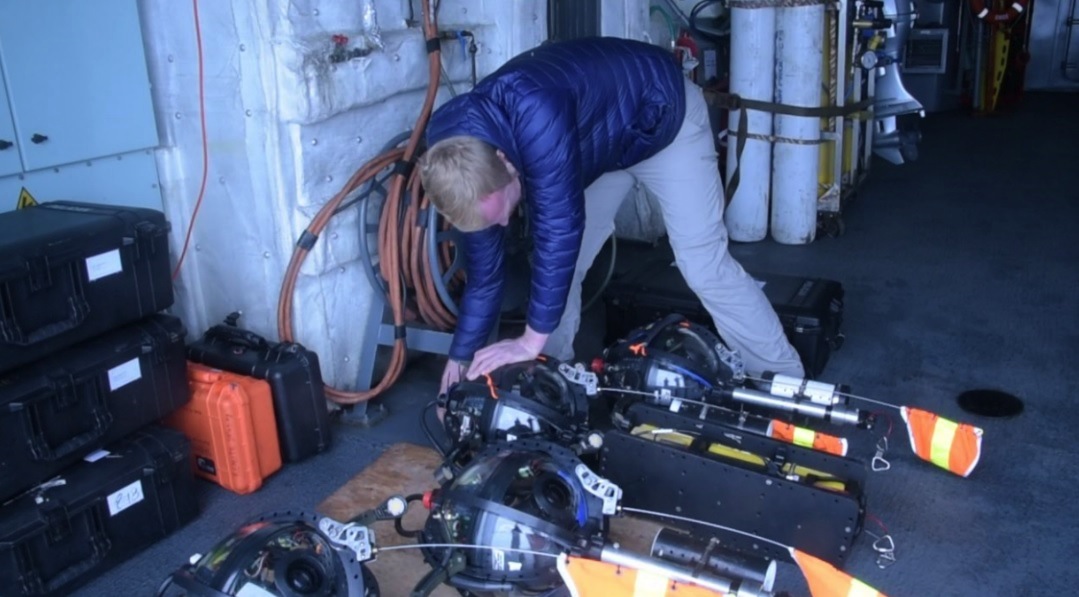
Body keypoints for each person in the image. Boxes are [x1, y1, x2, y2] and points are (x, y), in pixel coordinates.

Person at [419, 36, 804, 396]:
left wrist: (526, 340)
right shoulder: (460, 167)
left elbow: (560, 231)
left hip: (663, 118)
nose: (506, 224)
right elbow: (485, 274)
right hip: (601, 143)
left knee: (703, 264)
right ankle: (550, 380)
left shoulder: (535, 111)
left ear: (505, 162)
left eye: (507, 210)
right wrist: (459, 356)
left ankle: (786, 382)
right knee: (560, 270)